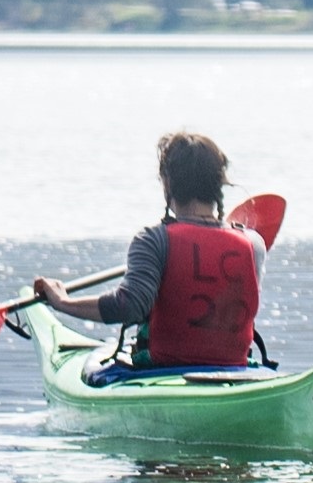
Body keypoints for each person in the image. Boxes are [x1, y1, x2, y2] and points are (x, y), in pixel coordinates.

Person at [24, 131, 267, 381]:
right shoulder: (253, 244)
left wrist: (62, 302)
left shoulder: (153, 240)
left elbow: (129, 306)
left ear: (168, 183)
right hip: (234, 370)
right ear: (218, 185)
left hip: (161, 367)